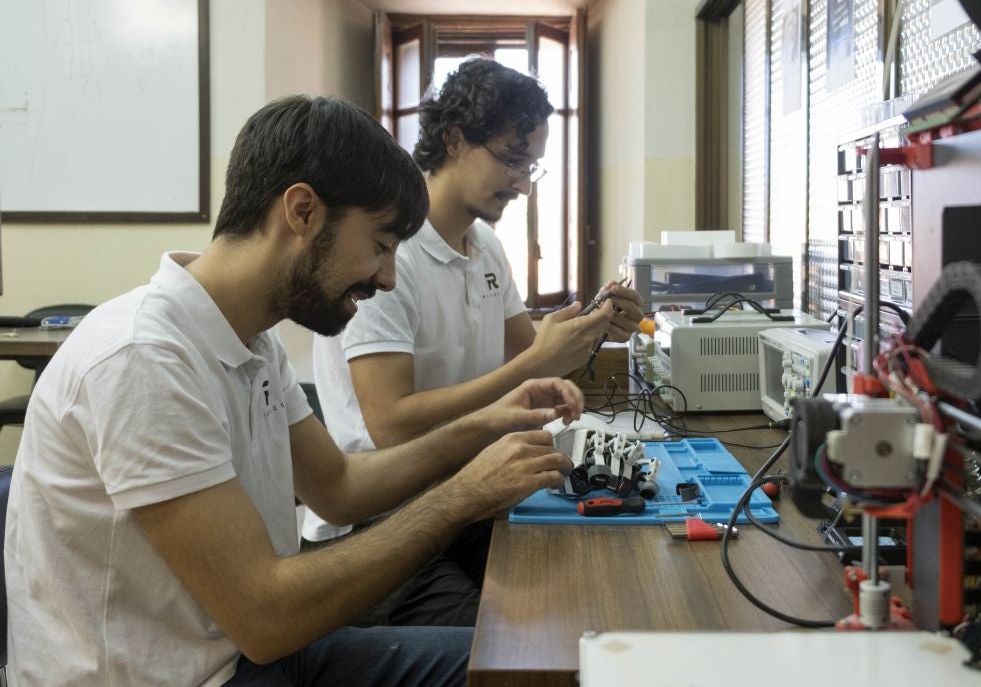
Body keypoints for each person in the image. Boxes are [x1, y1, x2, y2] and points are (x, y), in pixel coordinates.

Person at [4, 95, 579, 687]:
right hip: (204, 671)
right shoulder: (142, 359)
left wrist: (485, 424)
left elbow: (338, 487)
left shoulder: (250, 338)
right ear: (302, 211)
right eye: (380, 245)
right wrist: (463, 494)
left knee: (542, 666)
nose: (387, 278)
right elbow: (266, 616)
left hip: (254, 654)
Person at [303, 59, 643, 572]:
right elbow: (390, 424)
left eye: (531, 167)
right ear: (455, 139)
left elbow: (533, 361)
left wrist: (595, 325)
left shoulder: (484, 245)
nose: (524, 185)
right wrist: (535, 365)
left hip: (463, 494)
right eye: (512, 159)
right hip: (379, 518)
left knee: (595, 568)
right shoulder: (388, 252)